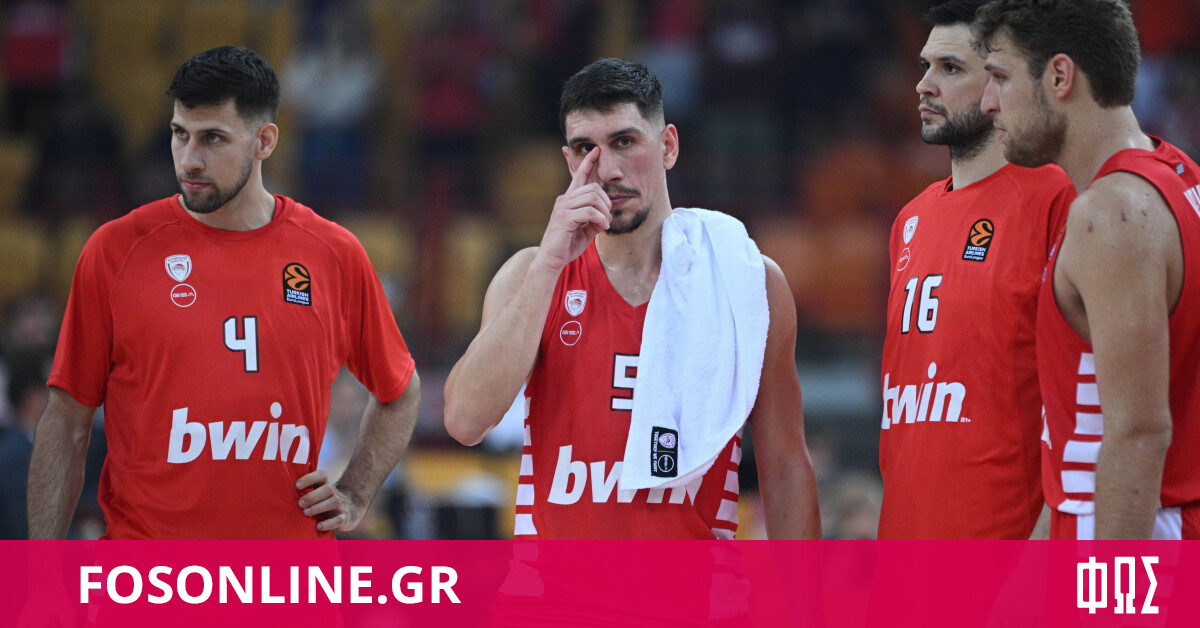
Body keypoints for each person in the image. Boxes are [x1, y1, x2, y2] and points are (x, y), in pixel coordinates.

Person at [26, 46, 420, 539]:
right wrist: (40, 572)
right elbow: (66, 423)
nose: (189, 159)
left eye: (212, 138)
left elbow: (400, 392)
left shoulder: (333, 254)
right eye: (180, 134)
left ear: (264, 141)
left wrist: (356, 492)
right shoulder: (116, 251)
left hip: (285, 578)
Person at [443, 58, 820, 540]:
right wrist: (549, 265)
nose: (608, 170)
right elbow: (465, 421)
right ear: (570, 163)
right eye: (587, 149)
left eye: (624, 141)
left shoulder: (745, 280)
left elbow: (785, 467)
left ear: (668, 146)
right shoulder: (531, 275)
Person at [976, 0, 1200, 540]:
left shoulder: (1110, 215)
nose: (988, 102)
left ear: (1060, 76)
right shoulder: (1179, 176)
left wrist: (1111, 587)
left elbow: (1138, 434)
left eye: (1000, 77)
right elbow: (1081, 439)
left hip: (1131, 537)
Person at [877, 0, 1075, 539]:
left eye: (950, 68)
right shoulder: (910, 219)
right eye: (925, 66)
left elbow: (1087, 401)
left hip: (1006, 554)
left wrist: (1041, 558)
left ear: (998, 83)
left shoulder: (1056, 198)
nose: (924, 85)